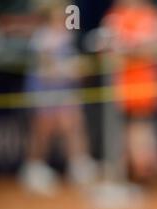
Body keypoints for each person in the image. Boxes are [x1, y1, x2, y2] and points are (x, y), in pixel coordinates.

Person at [19, 2, 97, 196]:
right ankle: (33, 169)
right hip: (44, 91)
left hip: (65, 91)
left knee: (74, 124)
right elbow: (45, 71)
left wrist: (78, 69)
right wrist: (68, 69)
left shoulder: (67, 36)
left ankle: (79, 165)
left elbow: (74, 66)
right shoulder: (42, 38)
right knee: (43, 129)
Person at [100, 0, 157, 184]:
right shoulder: (116, 14)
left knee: (140, 131)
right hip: (122, 87)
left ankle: (144, 176)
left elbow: (153, 45)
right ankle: (133, 177)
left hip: (143, 86)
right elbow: (106, 46)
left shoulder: (148, 15)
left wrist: (127, 46)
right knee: (128, 133)